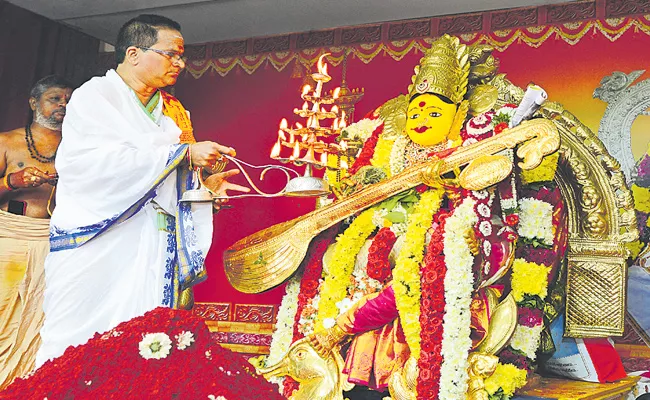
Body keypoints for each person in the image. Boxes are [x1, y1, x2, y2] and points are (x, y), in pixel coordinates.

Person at [35, 14, 249, 367]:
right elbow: (90, 167)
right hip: (97, 242)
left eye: (182, 56)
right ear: (133, 53)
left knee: (141, 343)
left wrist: (203, 188)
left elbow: (163, 178)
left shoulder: (171, 113)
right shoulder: (95, 97)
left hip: (149, 243)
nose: (179, 63)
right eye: (171, 54)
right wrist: (183, 153)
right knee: (75, 343)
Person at [0, 75, 73, 389]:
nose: (62, 106)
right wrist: (14, 182)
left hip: (54, 240)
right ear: (34, 103)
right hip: (11, 238)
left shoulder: (78, 148)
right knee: (5, 312)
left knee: (41, 318)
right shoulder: (7, 141)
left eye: (68, 101)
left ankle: (22, 389)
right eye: (56, 98)